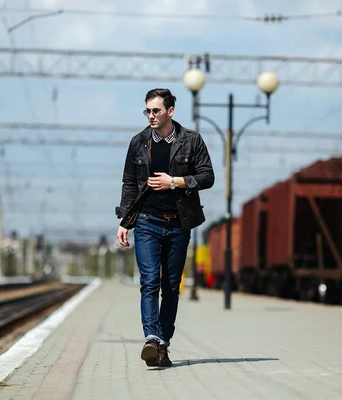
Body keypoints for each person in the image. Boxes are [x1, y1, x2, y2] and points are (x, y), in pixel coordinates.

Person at [116, 88, 214, 368]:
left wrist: (175, 182)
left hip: (179, 223)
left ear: (170, 111)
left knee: (171, 287)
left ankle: (163, 345)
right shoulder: (138, 143)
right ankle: (151, 338)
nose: (150, 116)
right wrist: (124, 221)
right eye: (147, 111)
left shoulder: (192, 141)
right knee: (149, 282)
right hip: (146, 221)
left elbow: (207, 176)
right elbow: (129, 183)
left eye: (156, 111)